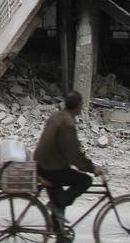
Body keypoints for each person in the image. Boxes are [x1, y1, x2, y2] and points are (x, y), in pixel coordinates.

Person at [34, 91, 103, 226]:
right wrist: (91, 168)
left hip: (42, 164)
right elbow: (73, 155)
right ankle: (57, 205)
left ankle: (59, 230)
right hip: (50, 168)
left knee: (60, 200)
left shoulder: (57, 115)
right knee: (84, 180)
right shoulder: (67, 123)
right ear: (78, 107)